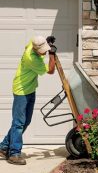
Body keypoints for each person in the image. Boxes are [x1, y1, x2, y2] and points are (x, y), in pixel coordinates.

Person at [0, 35, 56, 165]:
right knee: (19, 123)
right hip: (21, 91)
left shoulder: (33, 43)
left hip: (30, 89)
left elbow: (40, 50)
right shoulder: (31, 59)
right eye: (42, 50)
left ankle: (3, 147)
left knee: (26, 121)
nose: (44, 51)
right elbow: (51, 70)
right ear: (36, 50)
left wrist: (46, 43)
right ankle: (14, 154)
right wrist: (52, 54)